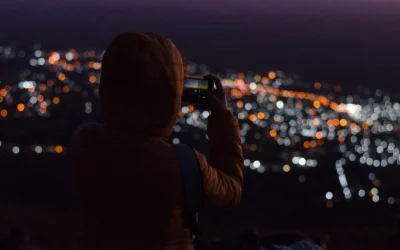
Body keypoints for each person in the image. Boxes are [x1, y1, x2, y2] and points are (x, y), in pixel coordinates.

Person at [72, 32, 244, 250]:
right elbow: (232, 189)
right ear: (170, 93)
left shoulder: (86, 144)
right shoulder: (183, 165)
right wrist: (221, 117)